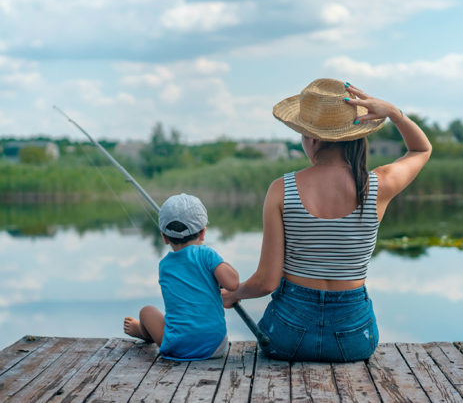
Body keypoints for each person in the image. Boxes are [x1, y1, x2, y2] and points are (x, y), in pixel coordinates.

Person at [222, 78, 432, 362]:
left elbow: (266, 282)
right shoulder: (379, 185)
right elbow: (421, 149)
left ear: (314, 138)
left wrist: (234, 294)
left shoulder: (281, 189)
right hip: (355, 339)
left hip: (286, 336)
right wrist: (394, 113)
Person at [123, 193, 239, 361]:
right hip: (215, 347)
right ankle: (144, 332)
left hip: (176, 348)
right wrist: (220, 263)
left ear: (164, 237)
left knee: (146, 311)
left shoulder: (164, 266)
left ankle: (142, 331)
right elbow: (233, 283)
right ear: (203, 232)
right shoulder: (208, 255)